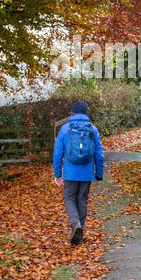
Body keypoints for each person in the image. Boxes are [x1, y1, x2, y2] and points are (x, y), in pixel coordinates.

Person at [53, 100, 104, 246]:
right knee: (82, 200)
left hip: (70, 172)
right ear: (86, 112)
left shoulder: (65, 129)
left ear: (73, 112)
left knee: (69, 198)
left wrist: (58, 175)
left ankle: (75, 224)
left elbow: (57, 153)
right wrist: (99, 173)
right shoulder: (92, 129)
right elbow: (99, 154)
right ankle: (80, 231)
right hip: (87, 172)